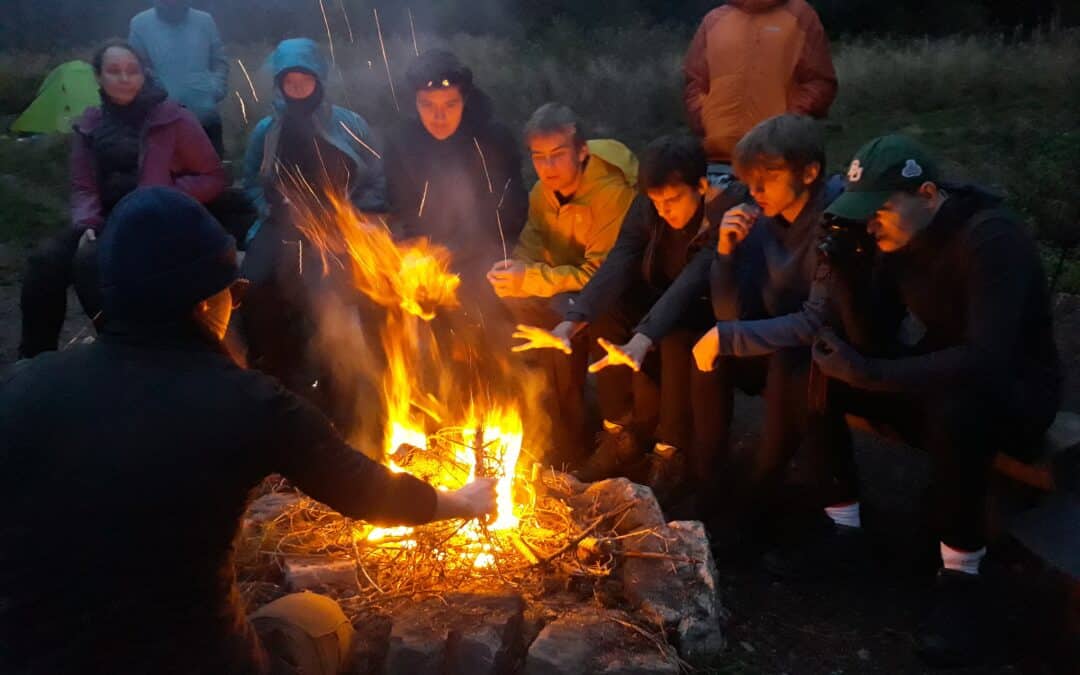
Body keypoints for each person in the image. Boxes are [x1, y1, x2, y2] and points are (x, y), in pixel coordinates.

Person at [0, 187, 497, 674]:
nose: (234, 306)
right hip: (193, 659)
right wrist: (463, 501)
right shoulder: (248, 404)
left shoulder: (27, 388)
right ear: (203, 304)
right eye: (232, 293)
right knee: (315, 618)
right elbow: (365, 491)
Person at [765, 135, 1061, 667]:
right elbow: (872, 340)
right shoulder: (895, 241)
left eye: (879, 210)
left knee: (956, 406)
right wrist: (851, 280)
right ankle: (845, 528)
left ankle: (961, 577)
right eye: (861, 213)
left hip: (1013, 394)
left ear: (926, 194)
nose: (871, 223)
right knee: (812, 372)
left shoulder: (991, 239)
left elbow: (986, 357)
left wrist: (874, 373)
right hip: (942, 373)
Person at [513, 135, 748, 501]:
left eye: (672, 201)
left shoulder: (725, 210)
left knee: (675, 337)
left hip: (707, 309)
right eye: (656, 202)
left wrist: (642, 338)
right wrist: (571, 322)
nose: (664, 211)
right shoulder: (648, 207)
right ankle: (618, 434)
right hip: (657, 295)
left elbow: (691, 284)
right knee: (605, 314)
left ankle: (669, 454)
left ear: (700, 187)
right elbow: (619, 262)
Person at [18, 39, 225, 359]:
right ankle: (34, 359)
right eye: (114, 71)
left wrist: (162, 195)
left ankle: (122, 353)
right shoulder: (90, 124)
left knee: (90, 266)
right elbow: (83, 186)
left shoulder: (173, 119)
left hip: (156, 218)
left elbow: (212, 176)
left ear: (144, 75)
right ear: (99, 78)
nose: (124, 78)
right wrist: (87, 221)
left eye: (132, 70)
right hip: (103, 218)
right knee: (44, 264)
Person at [686, 113, 841, 532]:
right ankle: (709, 479)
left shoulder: (836, 224)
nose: (753, 193)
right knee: (707, 358)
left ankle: (759, 494)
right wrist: (726, 254)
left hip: (827, 350)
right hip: (775, 336)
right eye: (749, 181)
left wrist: (731, 336)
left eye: (766, 180)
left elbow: (817, 321)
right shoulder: (760, 218)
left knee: (787, 364)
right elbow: (730, 315)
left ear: (809, 172)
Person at [239, 38, 387, 423]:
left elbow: (377, 178)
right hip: (282, 225)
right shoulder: (268, 131)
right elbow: (251, 181)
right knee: (251, 284)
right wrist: (271, 206)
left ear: (319, 80)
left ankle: (349, 387)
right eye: (291, 82)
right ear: (280, 85)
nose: (299, 88)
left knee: (341, 292)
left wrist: (358, 213)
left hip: (342, 227)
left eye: (306, 80)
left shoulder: (349, 125)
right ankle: (269, 369)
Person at [486, 102, 638, 464]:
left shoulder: (611, 194)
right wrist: (514, 269)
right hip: (566, 290)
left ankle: (618, 434)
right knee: (500, 304)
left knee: (561, 319)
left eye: (557, 155)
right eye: (538, 157)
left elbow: (602, 275)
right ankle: (558, 430)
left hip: (617, 294)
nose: (548, 167)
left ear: (581, 151)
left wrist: (533, 279)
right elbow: (531, 244)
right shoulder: (542, 192)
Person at [384, 49, 528, 294]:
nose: (439, 116)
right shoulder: (402, 141)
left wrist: (451, 251)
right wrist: (406, 244)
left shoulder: (494, 141)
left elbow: (509, 215)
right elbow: (396, 200)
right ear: (414, 102)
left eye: (450, 104)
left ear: (465, 100)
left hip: (487, 260)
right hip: (424, 259)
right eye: (427, 105)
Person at [683, 0, 837, 183]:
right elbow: (694, 81)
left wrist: (787, 125)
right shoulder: (714, 19)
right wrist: (705, 120)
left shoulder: (800, 16)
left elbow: (820, 81)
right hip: (718, 160)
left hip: (778, 161)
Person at [129, 0, 230, 154]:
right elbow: (138, 68)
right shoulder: (140, 24)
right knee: (162, 176)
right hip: (161, 124)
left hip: (205, 119)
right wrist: (159, 97)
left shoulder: (205, 21)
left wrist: (215, 89)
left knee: (214, 174)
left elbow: (219, 61)